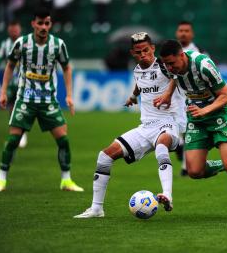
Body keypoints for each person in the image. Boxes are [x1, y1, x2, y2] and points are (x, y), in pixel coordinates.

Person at [74, 32, 186, 218]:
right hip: (146, 126)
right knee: (104, 156)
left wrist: (168, 95)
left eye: (146, 50)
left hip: (169, 123)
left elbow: (179, 75)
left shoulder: (164, 66)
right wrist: (133, 96)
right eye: (138, 52)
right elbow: (140, 84)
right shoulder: (137, 70)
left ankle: (167, 195)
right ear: (132, 53)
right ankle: (96, 208)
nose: (143, 55)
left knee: (161, 146)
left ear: (153, 49)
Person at [158, 39, 227, 220]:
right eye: (167, 65)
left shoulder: (203, 65)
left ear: (182, 55)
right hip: (196, 120)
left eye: (172, 63)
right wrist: (167, 95)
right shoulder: (170, 67)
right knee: (194, 172)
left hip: (218, 116)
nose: (170, 68)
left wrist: (204, 110)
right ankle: (225, 163)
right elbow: (175, 77)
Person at [0, 7, 83, 192]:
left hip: (48, 101)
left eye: (47, 23)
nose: (44, 27)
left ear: (50, 24)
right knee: (13, 140)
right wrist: (3, 92)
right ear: (33, 24)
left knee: (63, 140)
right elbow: (10, 66)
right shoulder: (22, 43)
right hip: (25, 99)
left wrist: (69, 95)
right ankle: (1, 179)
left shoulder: (58, 44)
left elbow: (67, 68)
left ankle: (66, 180)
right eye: (40, 23)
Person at [174, 20, 204, 176]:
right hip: (174, 97)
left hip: (190, 97)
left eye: (187, 30)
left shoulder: (199, 52)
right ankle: (178, 145)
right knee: (177, 129)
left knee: (189, 131)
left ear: (192, 34)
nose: (183, 33)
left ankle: (186, 167)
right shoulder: (171, 52)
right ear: (176, 33)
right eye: (181, 30)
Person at [0, 20, 27, 148]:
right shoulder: (5, 45)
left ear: (19, 29)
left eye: (16, 29)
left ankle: (22, 133)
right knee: (11, 108)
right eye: (11, 29)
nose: (14, 32)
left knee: (23, 108)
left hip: (25, 82)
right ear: (8, 31)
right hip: (11, 83)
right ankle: (18, 132)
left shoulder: (27, 43)